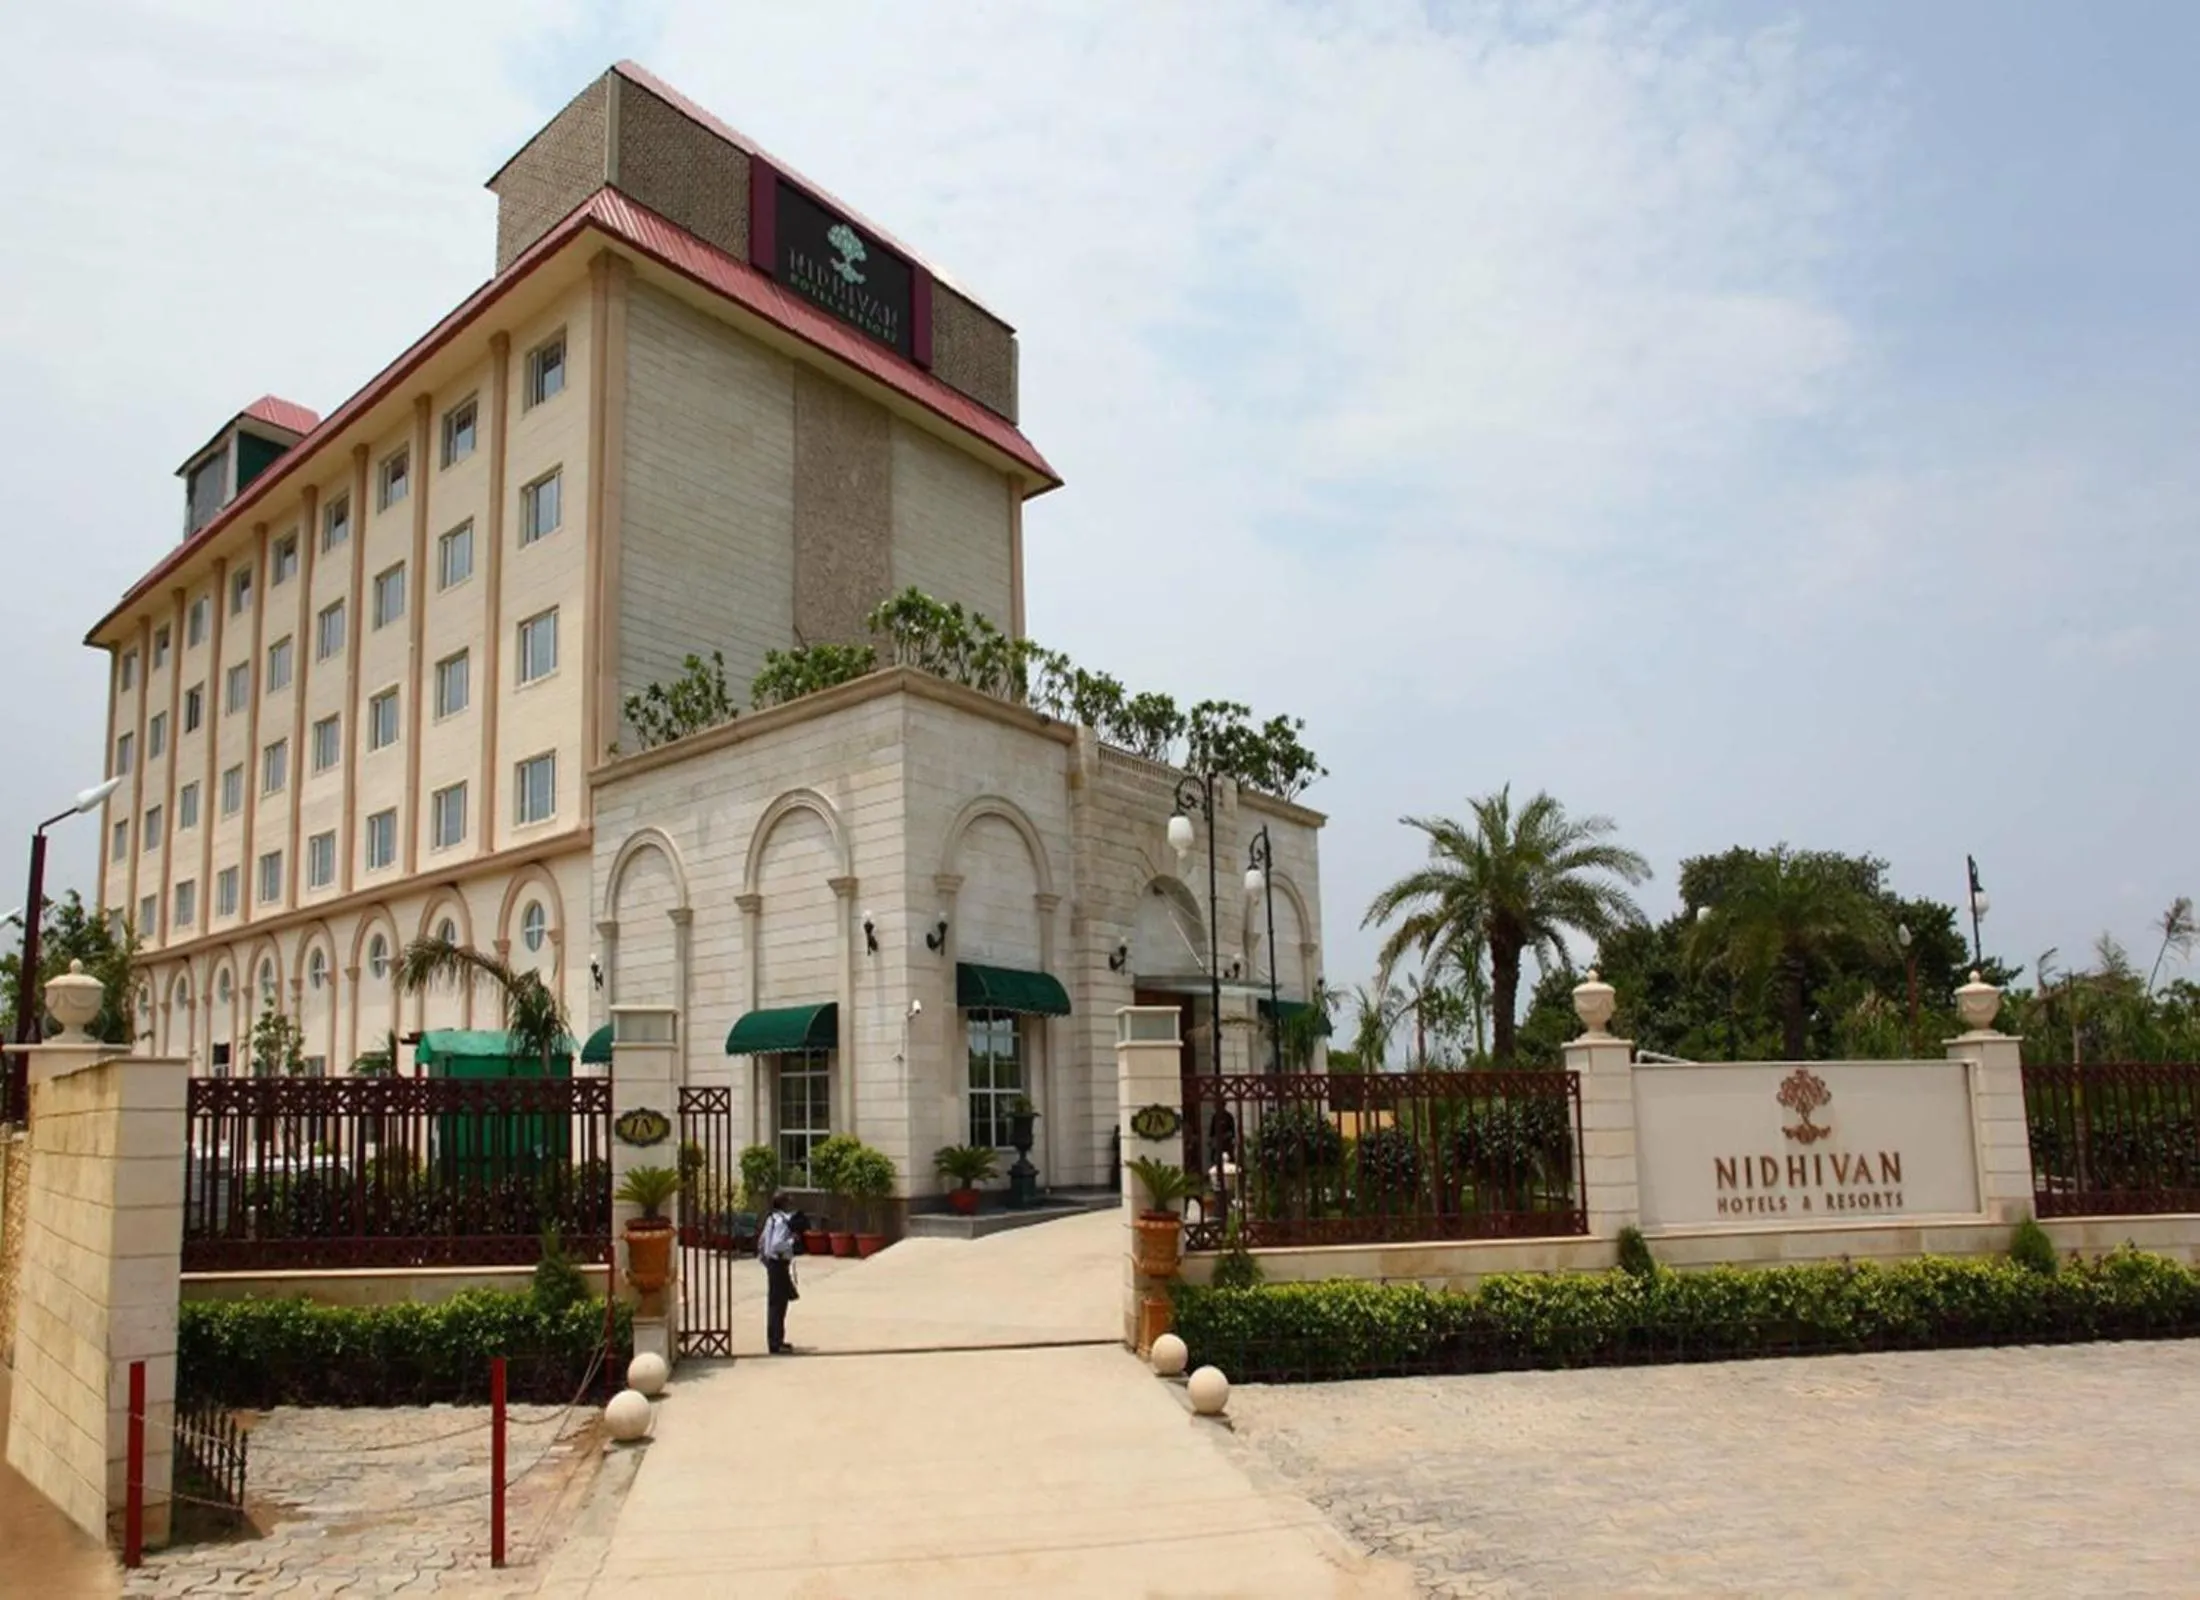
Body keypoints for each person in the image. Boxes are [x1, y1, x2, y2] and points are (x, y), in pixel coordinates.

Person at [758, 1191, 800, 1354]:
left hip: (772, 1263)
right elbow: (776, 1244)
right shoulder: (782, 1222)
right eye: (787, 1202)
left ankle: (775, 1340)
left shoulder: (771, 1219)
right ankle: (776, 1342)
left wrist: (766, 1260)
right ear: (783, 1204)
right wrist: (792, 1241)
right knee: (778, 1305)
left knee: (775, 1304)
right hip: (779, 1263)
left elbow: (762, 1242)